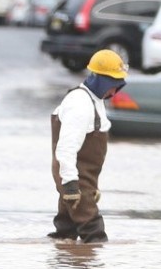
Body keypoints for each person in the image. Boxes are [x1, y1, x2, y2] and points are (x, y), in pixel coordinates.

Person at [48, 49, 127, 243]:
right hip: (74, 179)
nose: (114, 91)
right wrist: (71, 185)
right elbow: (65, 149)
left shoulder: (94, 100)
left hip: (82, 180)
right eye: (114, 85)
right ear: (103, 81)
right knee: (95, 234)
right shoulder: (80, 104)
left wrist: (93, 186)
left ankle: (63, 261)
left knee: (65, 233)